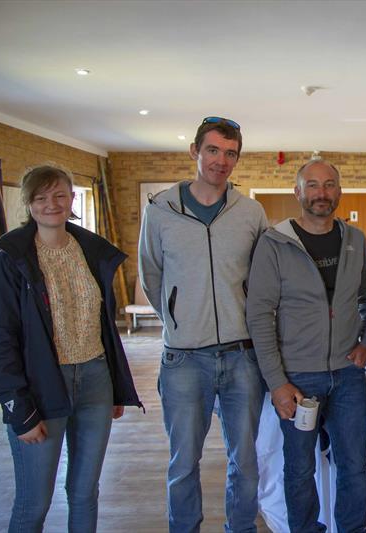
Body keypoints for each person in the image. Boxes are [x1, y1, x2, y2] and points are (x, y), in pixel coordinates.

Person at [0, 164, 141, 532]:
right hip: (40, 387)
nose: (51, 204)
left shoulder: (91, 251)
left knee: (85, 493)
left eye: (59, 195)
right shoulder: (8, 262)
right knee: (34, 502)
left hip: (95, 380)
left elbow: (102, 325)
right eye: (40, 197)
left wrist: (114, 383)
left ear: (71, 199)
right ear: (28, 204)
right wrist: (17, 406)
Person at [138, 117, 268, 533]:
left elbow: (264, 279)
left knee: (246, 461)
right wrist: (179, 319)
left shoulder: (250, 212)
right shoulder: (160, 210)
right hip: (183, 359)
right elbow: (151, 275)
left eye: (230, 153)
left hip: (242, 357)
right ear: (195, 151)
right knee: (183, 463)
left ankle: (241, 528)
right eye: (213, 150)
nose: (221, 161)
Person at [246, 159, 366, 533]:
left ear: (339, 191)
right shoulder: (274, 243)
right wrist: (277, 382)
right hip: (298, 377)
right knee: (299, 468)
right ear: (297, 192)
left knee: (354, 465)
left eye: (329, 184)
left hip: (348, 375)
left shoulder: (355, 240)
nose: (322, 193)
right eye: (313, 185)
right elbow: (259, 316)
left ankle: (353, 529)